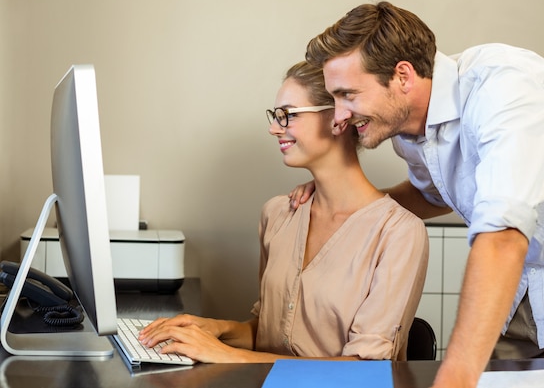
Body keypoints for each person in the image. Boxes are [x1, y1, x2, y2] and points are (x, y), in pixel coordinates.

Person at [288, 1, 544, 388]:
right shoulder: (408, 133)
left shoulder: (504, 88)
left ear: (402, 76)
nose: (339, 115)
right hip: (514, 301)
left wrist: (455, 376)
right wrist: (342, 200)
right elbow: (432, 196)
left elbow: (502, 236)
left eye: (348, 94)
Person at [138, 60, 429, 363]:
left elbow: (363, 370)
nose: (274, 128)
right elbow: (269, 334)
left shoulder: (400, 234)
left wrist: (226, 354)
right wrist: (215, 329)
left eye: (287, 115)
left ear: (339, 119)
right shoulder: (277, 214)